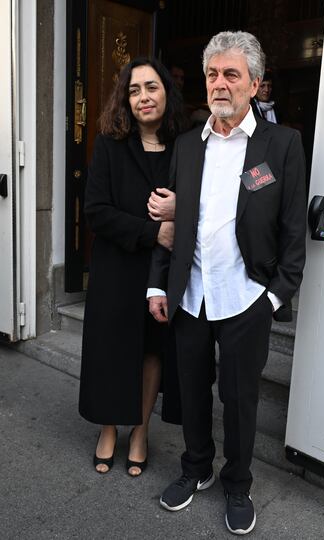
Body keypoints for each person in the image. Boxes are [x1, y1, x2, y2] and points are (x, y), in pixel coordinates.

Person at [147, 31, 306, 535]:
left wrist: (275, 295)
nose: (219, 84)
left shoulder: (281, 144)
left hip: (245, 298)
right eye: (213, 73)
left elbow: (292, 231)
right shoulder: (189, 144)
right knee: (192, 392)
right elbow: (171, 228)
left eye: (231, 74)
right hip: (191, 294)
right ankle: (196, 470)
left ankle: (238, 484)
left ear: (255, 84)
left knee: (239, 400)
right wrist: (158, 285)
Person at [79, 57, 185, 476]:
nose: (143, 97)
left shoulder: (187, 147)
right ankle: (108, 429)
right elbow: (96, 211)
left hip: (161, 273)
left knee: (151, 352)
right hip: (116, 267)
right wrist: (153, 232)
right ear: (126, 99)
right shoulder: (109, 143)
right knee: (111, 351)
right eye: (134, 89)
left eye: (151, 87)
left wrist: (178, 215)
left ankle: (139, 432)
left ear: (166, 93)